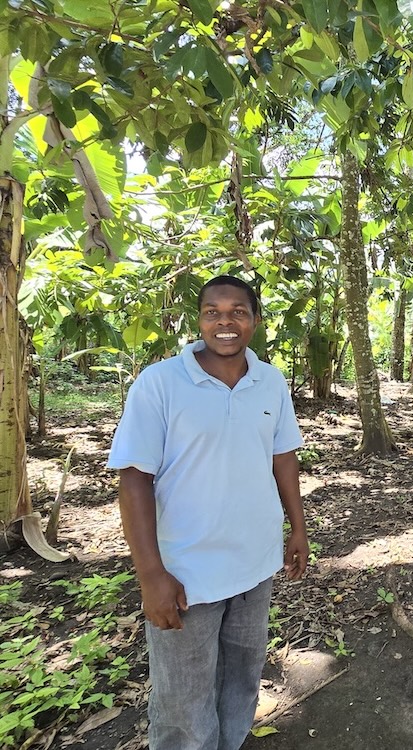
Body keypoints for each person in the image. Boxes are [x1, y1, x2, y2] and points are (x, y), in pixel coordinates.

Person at [107, 275, 308, 750]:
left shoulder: (269, 381)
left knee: (240, 682)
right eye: (212, 312)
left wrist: (298, 528)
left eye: (237, 311)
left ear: (254, 321)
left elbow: (283, 457)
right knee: (183, 706)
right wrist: (151, 574)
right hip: (186, 575)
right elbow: (134, 478)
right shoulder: (160, 383)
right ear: (199, 321)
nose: (225, 322)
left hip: (255, 565)